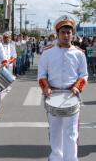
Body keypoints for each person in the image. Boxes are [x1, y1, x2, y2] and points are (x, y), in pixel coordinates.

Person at [38, 15, 88, 161]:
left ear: (72, 34)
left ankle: (71, 158)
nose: (66, 35)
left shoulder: (79, 54)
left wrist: (78, 87)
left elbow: (83, 75)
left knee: (71, 132)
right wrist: (46, 88)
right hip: (52, 95)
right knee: (55, 131)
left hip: (72, 96)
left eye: (69, 32)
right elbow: (41, 74)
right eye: (63, 32)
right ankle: (55, 157)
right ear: (58, 33)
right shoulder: (47, 52)